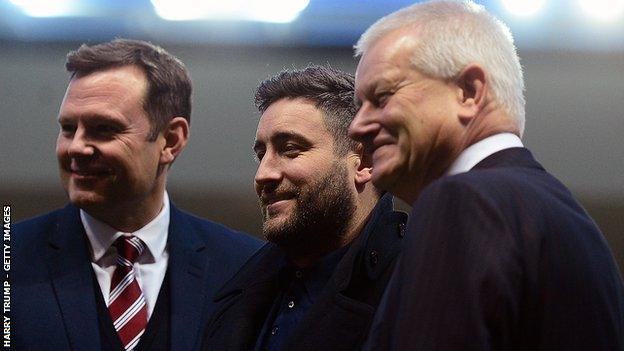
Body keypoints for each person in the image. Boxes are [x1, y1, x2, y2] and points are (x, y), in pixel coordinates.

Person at [348, 1, 624, 350]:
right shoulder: (571, 220)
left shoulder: (463, 203)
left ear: (468, 92)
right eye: (359, 106)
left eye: (382, 96)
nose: (357, 126)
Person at [13, 39, 262, 351]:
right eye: (67, 128)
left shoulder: (246, 269)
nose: (75, 147)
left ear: (171, 141)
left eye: (103, 128)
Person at [201, 65, 407, 351]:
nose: (263, 174)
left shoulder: (418, 287)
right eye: (261, 155)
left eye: (290, 149)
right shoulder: (236, 290)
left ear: (365, 163)